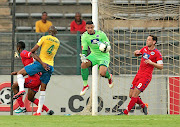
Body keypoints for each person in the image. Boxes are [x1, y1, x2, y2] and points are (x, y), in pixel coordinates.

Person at [13, 26, 60, 116]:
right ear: (56, 33)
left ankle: (22, 102)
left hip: (40, 67)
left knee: (16, 84)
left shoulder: (44, 38)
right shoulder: (58, 42)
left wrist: (41, 62)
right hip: (50, 66)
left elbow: (32, 52)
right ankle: (42, 111)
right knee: (39, 92)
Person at [118, 35, 163, 115]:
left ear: (154, 42)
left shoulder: (157, 53)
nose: (147, 41)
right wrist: (136, 53)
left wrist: (151, 63)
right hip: (138, 74)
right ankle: (143, 106)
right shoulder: (144, 48)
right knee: (131, 95)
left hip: (146, 77)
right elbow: (138, 54)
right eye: (147, 39)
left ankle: (125, 112)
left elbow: (161, 66)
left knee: (135, 94)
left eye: (149, 40)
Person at [12, 41, 54, 115]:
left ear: (18, 48)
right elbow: (29, 67)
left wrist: (42, 63)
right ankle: (48, 110)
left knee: (15, 86)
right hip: (38, 79)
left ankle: (22, 107)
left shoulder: (23, 53)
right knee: (30, 98)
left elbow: (32, 55)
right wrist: (18, 72)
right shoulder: (27, 59)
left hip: (33, 79)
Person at [79, 21, 113, 96]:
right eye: (88, 28)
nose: (90, 29)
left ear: (93, 27)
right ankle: (85, 85)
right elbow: (84, 49)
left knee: (102, 73)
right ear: (86, 28)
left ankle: (109, 76)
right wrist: (84, 56)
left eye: (91, 27)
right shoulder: (84, 36)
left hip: (103, 55)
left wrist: (104, 46)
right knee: (83, 65)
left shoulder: (101, 34)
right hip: (93, 55)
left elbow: (108, 44)